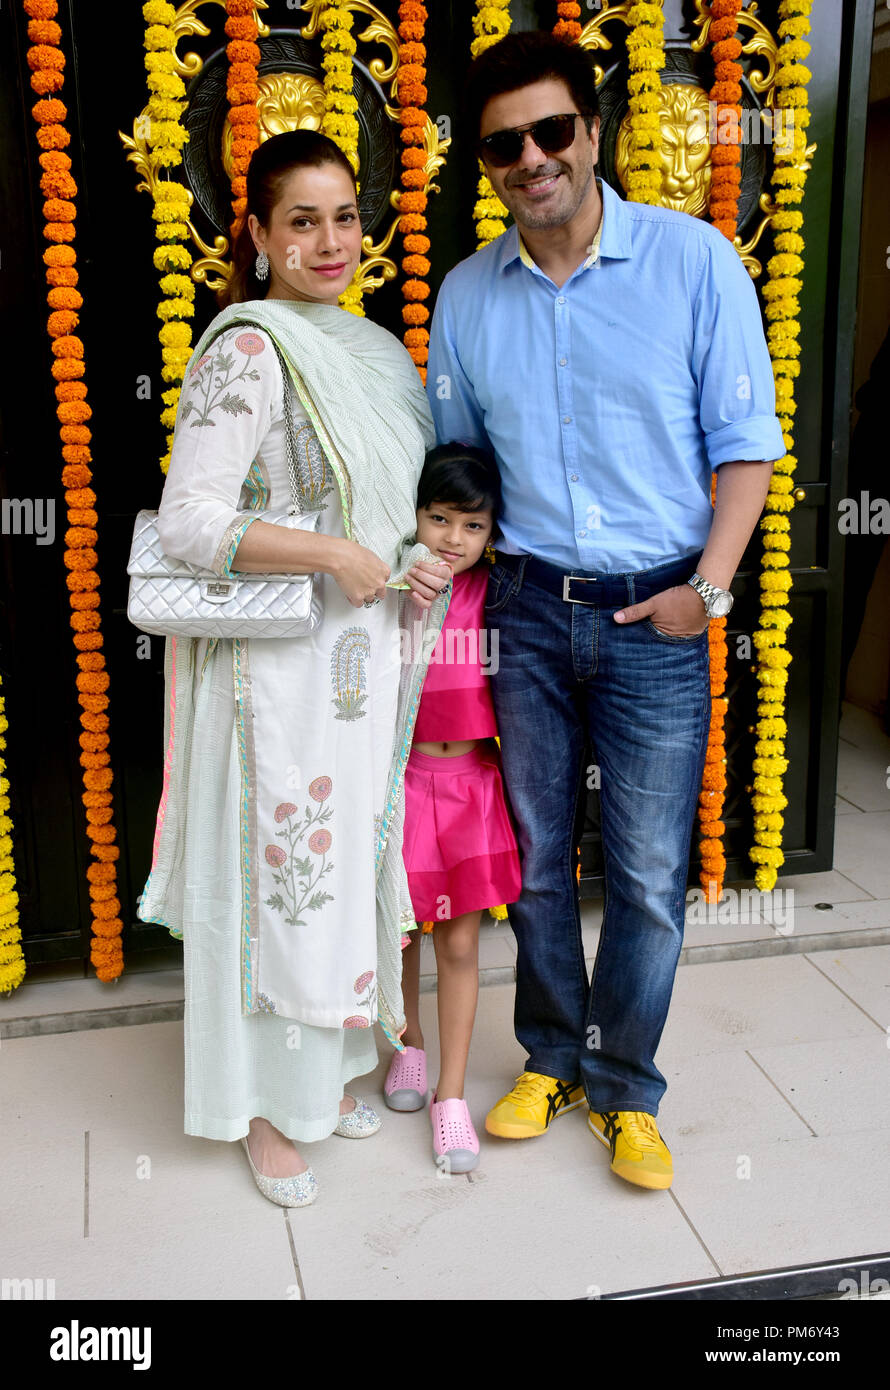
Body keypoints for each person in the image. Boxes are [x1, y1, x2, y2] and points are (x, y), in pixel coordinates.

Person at [423, 32, 785, 1190]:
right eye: (501, 145)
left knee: (638, 870)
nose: (529, 158)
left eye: (549, 132)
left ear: (593, 130)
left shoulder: (694, 262)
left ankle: (624, 1083)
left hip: (657, 618)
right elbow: (455, 472)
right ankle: (550, 1057)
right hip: (523, 610)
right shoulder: (467, 295)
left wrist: (707, 595)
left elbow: (746, 453)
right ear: (482, 163)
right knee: (534, 862)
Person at [137, 131, 451, 1208]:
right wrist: (327, 553)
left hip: (356, 665)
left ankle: (322, 1078)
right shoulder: (249, 350)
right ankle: (258, 1110)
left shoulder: (368, 349)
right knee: (271, 878)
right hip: (267, 672)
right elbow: (189, 522)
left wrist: (411, 562)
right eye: (302, 220)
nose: (329, 240)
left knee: (333, 870)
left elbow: (388, 511)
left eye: (345, 216)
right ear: (259, 235)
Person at [383, 444, 522, 1172]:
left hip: (469, 787)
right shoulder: (398, 586)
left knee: (460, 944)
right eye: (438, 519)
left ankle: (452, 1097)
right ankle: (406, 1050)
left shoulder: (496, 594)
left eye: (471, 525)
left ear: (493, 532)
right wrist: (405, 590)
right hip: (402, 782)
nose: (452, 538)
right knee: (401, 933)